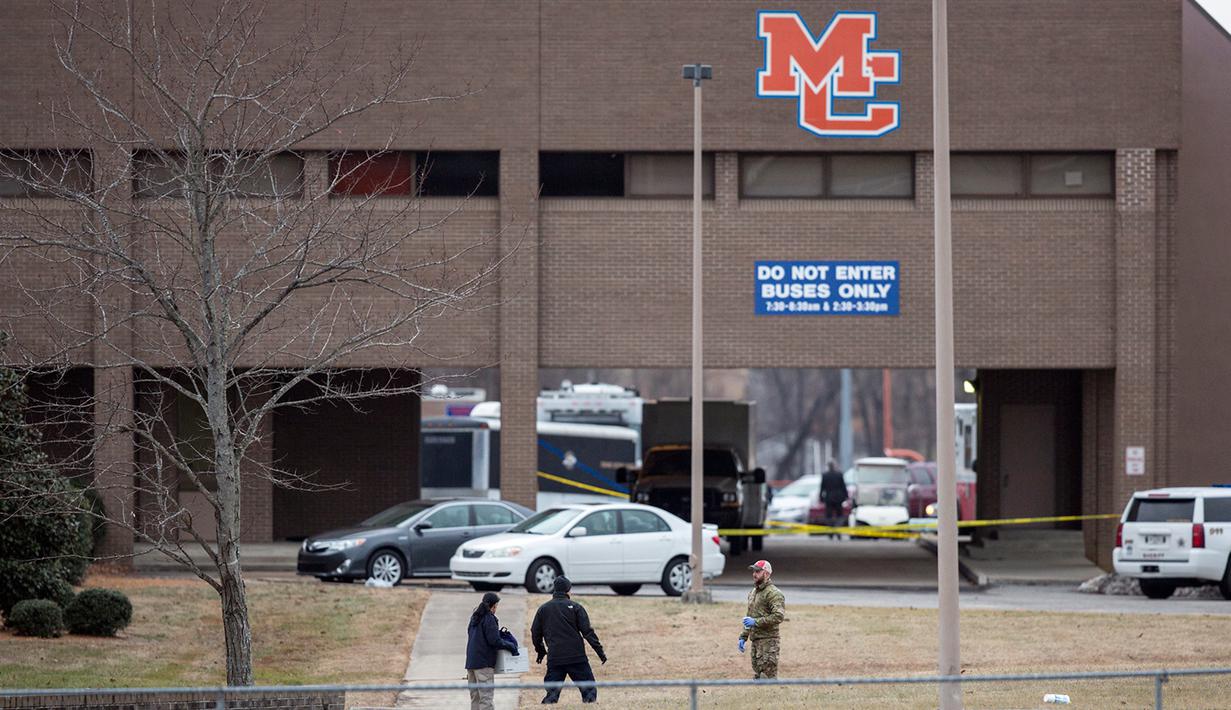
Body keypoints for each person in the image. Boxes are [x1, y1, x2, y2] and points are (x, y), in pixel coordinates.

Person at [530, 576, 607, 704]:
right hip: (576, 657)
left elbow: (535, 632)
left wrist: (541, 651)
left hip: (555, 658)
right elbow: (588, 632)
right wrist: (600, 652)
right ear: (567, 590)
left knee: (551, 694)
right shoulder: (576, 607)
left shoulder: (543, 609)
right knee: (589, 691)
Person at [465, 591, 518, 710]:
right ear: (493, 606)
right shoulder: (489, 618)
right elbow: (494, 641)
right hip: (484, 664)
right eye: (496, 606)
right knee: (486, 698)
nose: (496, 609)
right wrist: (511, 646)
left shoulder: (474, 618)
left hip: (471, 663)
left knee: (475, 698)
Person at [738, 559, 786, 680]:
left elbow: (778, 616)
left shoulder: (774, 594)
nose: (754, 574)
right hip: (756, 642)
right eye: (754, 571)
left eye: (758, 571)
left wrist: (756, 622)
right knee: (758, 677)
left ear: (766, 573)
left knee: (768, 678)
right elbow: (749, 615)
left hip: (768, 642)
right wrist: (743, 637)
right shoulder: (753, 592)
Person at [820, 459, 849, 530]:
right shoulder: (839, 474)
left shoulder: (825, 475)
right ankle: (837, 528)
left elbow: (822, 487)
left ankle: (831, 530)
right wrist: (846, 496)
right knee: (839, 515)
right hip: (838, 498)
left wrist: (821, 497)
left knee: (829, 515)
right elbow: (843, 487)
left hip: (829, 498)